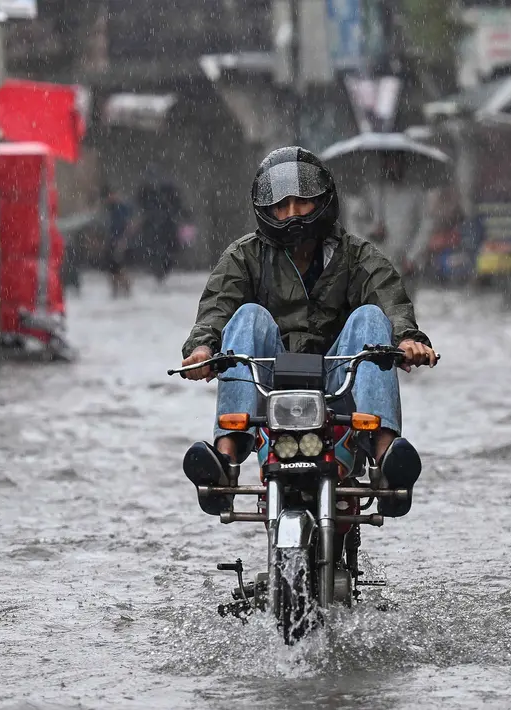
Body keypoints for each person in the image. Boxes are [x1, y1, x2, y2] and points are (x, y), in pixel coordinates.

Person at [177, 146, 438, 515]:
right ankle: (227, 462)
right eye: (281, 206)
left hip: (337, 383)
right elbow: (218, 307)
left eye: (302, 202)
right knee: (248, 314)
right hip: (270, 386)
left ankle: (385, 458)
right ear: (265, 210)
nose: (293, 214)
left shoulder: (358, 255)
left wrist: (409, 340)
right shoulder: (243, 256)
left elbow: (389, 299)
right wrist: (203, 350)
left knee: (369, 316)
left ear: (323, 201)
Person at [135, 165, 185, 284]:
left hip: (163, 223)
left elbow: (176, 204)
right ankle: (159, 270)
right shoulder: (147, 190)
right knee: (156, 248)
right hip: (155, 223)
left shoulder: (165, 189)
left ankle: (161, 270)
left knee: (164, 248)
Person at [102, 189, 134, 298]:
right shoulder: (111, 208)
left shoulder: (121, 208)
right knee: (113, 268)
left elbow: (127, 225)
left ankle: (126, 290)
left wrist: (123, 240)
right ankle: (115, 291)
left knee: (119, 267)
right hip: (112, 240)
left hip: (119, 240)